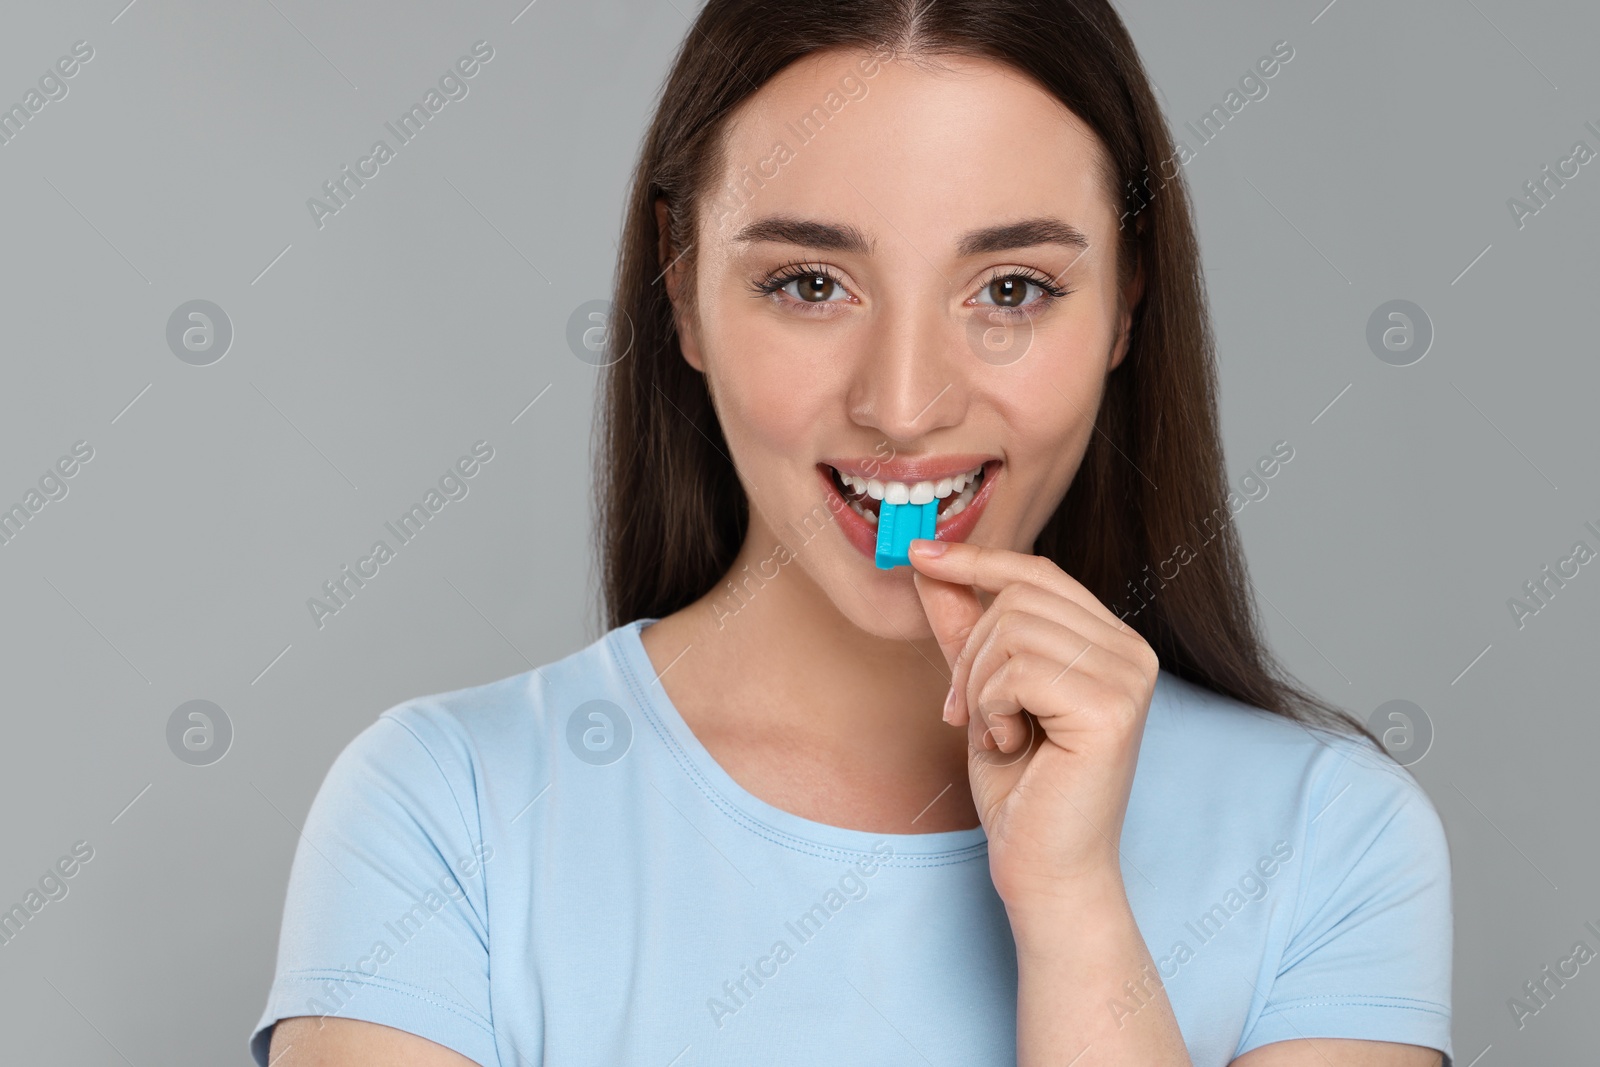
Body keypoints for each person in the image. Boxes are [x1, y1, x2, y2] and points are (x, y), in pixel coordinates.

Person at [251, 2, 1452, 1064]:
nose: (906, 402)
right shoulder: (442, 812)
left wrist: (1075, 909)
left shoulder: (1331, 844)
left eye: (1012, 288)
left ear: (1126, 304)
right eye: (811, 283)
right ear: (682, 291)